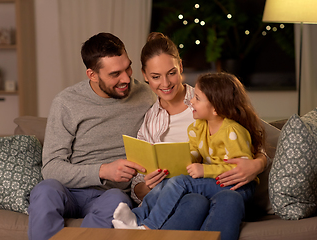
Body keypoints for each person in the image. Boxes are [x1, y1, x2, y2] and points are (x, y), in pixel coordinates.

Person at [27, 32, 211, 240]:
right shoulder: (66, 103)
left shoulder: (148, 94)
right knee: (44, 190)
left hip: (111, 194)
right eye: (115, 74)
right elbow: (51, 167)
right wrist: (103, 170)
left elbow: (179, 99)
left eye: (128, 68)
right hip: (68, 190)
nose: (126, 79)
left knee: (116, 200)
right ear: (92, 75)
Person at [113, 32, 267, 240]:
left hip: (213, 186)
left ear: (181, 67)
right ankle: (139, 222)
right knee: (194, 200)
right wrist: (146, 186)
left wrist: (258, 163)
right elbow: (137, 189)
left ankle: (142, 225)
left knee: (216, 198)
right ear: (145, 75)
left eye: (172, 73)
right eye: (156, 77)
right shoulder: (150, 119)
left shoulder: (209, 99)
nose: (166, 83)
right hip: (178, 196)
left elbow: (254, 136)